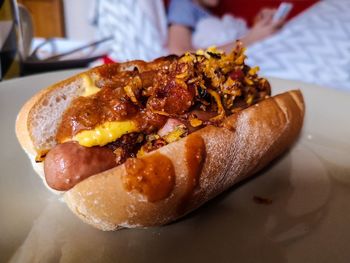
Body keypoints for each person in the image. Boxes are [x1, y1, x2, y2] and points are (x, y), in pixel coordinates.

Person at [167, 0, 284, 55]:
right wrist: (250, 39)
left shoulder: (206, 12)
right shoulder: (182, 4)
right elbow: (179, 53)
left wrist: (260, 24)